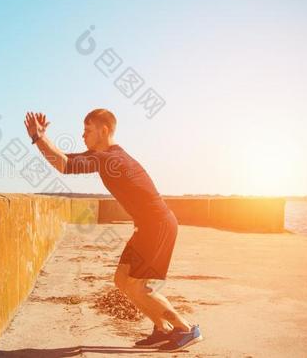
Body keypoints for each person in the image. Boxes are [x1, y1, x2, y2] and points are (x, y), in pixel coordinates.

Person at [23, 109, 203, 352]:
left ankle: (186, 329)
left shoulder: (109, 159)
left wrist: (38, 138)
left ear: (104, 130)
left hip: (157, 226)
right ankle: (162, 329)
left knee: (138, 288)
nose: (82, 135)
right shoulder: (104, 156)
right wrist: (43, 138)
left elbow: (65, 166)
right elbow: (65, 158)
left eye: (87, 130)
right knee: (122, 281)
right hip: (149, 226)